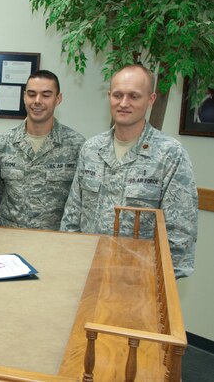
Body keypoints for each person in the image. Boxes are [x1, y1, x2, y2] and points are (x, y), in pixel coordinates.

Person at [61, 64, 198, 278]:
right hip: (87, 273)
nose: (124, 103)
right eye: (118, 95)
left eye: (134, 96)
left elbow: (179, 233)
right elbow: (71, 218)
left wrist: (154, 281)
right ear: (109, 96)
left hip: (141, 281)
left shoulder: (169, 154)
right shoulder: (91, 149)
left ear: (150, 100)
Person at [0, 70, 85, 230]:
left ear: (58, 99)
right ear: (24, 96)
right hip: (9, 235)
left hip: (54, 238)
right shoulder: (2, 144)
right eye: (32, 94)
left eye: (46, 95)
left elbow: (79, 198)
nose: (37, 101)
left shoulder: (77, 145)